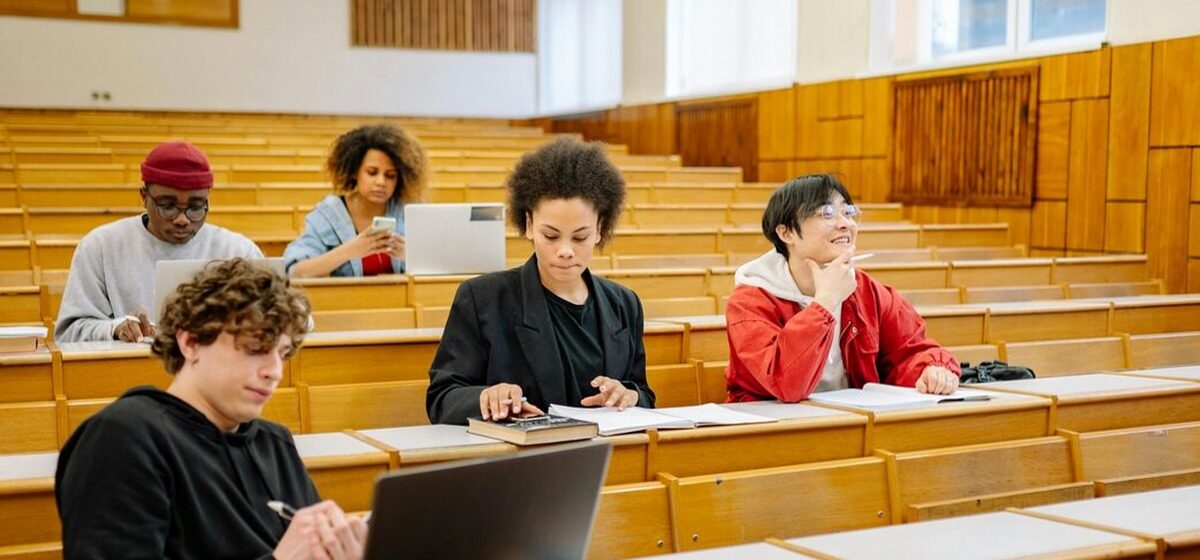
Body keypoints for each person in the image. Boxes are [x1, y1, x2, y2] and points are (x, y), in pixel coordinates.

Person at [56, 258, 368, 559]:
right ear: (190, 342)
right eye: (256, 348)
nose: (275, 371)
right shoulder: (124, 439)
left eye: (282, 353)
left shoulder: (275, 444)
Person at [426, 137, 655, 425]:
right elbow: (442, 398)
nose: (565, 250)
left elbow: (642, 392)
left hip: (609, 458)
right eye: (550, 235)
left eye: (580, 236)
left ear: (599, 229)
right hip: (522, 462)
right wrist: (485, 396)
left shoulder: (624, 303)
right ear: (529, 225)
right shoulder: (482, 298)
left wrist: (630, 395)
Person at [725, 174, 961, 403]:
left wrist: (931, 369)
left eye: (848, 212)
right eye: (827, 213)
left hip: (849, 424)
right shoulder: (750, 301)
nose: (845, 224)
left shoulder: (867, 291)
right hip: (773, 430)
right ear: (785, 232)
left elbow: (909, 351)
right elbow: (785, 383)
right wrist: (824, 303)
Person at [54, 141, 263, 343]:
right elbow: (69, 332)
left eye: (196, 207)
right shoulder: (100, 247)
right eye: (168, 206)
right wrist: (115, 329)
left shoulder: (239, 252)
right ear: (144, 197)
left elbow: (274, 321)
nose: (183, 219)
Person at [285, 124, 428, 277]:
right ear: (354, 172)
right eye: (372, 172)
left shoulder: (410, 210)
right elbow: (295, 271)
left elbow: (441, 263)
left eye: (390, 176)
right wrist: (349, 251)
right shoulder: (328, 214)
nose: (381, 182)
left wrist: (411, 256)